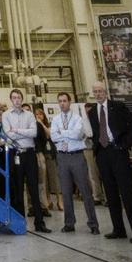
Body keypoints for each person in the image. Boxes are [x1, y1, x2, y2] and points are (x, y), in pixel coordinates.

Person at [88, 82, 132, 243]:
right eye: (95, 91)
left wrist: (125, 144)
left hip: (118, 152)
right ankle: (118, 229)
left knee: (127, 192)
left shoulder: (117, 107)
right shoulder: (92, 112)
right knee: (110, 193)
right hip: (103, 155)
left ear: (105, 92)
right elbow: (95, 132)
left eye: (100, 91)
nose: (98, 94)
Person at [49, 92, 99, 235]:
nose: (62, 103)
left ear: (69, 102)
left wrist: (62, 133)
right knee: (65, 192)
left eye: (65, 101)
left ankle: (93, 224)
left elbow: (78, 135)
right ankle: (69, 223)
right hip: (62, 158)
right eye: (60, 101)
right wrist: (67, 133)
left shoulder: (78, 118)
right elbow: (53, 137)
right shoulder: (56, 119)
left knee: (85, 191)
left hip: (77, 157)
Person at [1, 89, 51, 232]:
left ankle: (39, 223)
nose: (16, 100)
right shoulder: (6, 115)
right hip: (16, 154)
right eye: (14, 98)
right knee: (17, 189)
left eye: (19, 97)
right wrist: (22, 132)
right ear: (11, 99)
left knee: (33, 188)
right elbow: (8, 136)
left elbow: (33, 133)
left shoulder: (30, 115)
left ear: (22, 99)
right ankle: (21, 223)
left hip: (30, 155)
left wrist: (16, 130)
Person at [33, 103, 62, 213]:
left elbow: (49, 135)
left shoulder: (48, 125)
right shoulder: (34, 126)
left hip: (50, 154)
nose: (38, 116)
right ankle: (48, 201)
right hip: (41, 154)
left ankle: (60, 201)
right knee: (44, 180)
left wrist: (41, 124)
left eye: (40, 114)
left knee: (54, 178)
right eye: (36, 114)